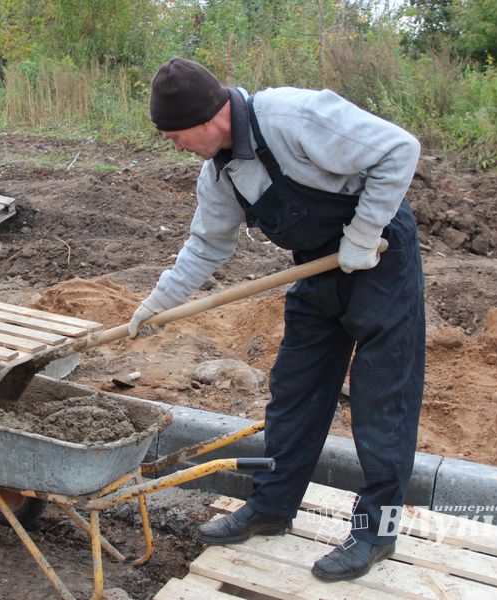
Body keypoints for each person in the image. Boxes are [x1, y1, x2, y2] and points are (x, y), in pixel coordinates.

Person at [129, 57, 425, 582]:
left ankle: (375, 533)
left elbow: (399, 149)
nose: (174, 147)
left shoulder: (295, 116)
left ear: (205, 119)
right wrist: (158, 304)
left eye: (174, 136)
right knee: (294, 390)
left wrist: (362, 234)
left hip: (379, 257)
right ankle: (272, 506)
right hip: (316, 266)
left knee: (384, 400)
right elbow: (206, 245)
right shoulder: (220, 173)